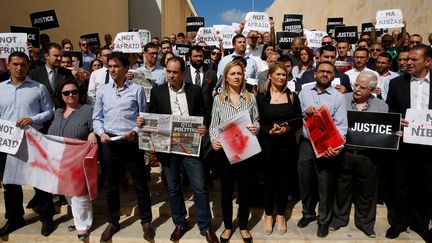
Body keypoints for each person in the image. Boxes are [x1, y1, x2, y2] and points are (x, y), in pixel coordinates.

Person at [141, 56, 218, 243]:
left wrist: (204, 126)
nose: (171, 75)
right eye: (168, 71)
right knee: (174, 188)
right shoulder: (158, 92)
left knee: (199, 187)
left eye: (175, 72)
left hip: (190, 146)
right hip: (167, 149)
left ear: (183, 73)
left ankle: (205, 226)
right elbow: (152, 116)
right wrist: (143, 122)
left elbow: (205, 114)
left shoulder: (195, 91)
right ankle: (180, 223)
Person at [92, 52, 154, 242]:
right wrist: (101, 132)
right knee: (111, 185)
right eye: (110, 66)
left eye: (116, 66)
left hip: (131, 142)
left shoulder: (137, 90)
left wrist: (135, 130)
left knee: (140, 183)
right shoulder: (102, 90)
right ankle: (113, 221)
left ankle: (146, 220)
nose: (112, 69)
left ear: (126, 68)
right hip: (109, 143)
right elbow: (97, 117)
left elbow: (143, 117)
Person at [0, 51, 55, 237]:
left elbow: (49, 112)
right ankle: (15, 217)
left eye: (23, 64)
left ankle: (46, 216)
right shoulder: (0, 88)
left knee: (39, 180)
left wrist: (32, 119)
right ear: (8, 65)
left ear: (28, 66)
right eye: (15, 64)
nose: (19, 67)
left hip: (32, 141)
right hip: (7, 143)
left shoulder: (38, 88)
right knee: (10, 182)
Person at [330, 71, 389, 238]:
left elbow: (385, 132)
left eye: (362, 87)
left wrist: (393, 134)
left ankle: (365, 224)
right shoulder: (342, 99)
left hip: (368, 156)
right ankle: (339, 219)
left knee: (367, 192)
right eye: (356, 84)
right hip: (344, 152)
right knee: (341, 189)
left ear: (371, 89)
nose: (356, 89)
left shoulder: (381, 106)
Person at [385, 44, 432, 242]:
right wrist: (397, 121)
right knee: (401, 185)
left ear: (428, 62)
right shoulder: (397, 83)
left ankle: (421, 224)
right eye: (407, 59)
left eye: (414, 60)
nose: (408, 62)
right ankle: (399, 223)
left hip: (429, 147)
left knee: (426, 185)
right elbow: (391, 110)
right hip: (404, 144)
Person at [210, 60, 260, 243]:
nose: (237, 77)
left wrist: (256, 128)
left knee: (245, 190)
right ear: (226, 77)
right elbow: (213, 125)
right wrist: (213, 139)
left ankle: (244, 226)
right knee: (226, 191)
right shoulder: (218, 99)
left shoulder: (251, 98)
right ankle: (228, 226)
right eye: (233, 74)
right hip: (226, 152)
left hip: (247, 151)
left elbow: (257, 121)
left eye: (239, 73)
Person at [297, 61, 348, 238]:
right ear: (315, 73)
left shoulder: (338, 97)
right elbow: (297, 115)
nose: (325, 74)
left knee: (325, 186)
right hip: (306, 145)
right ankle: (308, 214)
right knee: (305, 182)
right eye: (322, 71)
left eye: (329, 72)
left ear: (333, 76)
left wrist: (338, 147)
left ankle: (323, 221)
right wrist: (305, 111)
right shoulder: (304, 92)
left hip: (327, 146)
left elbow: (342, 126)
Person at [47, 80, 97, 241]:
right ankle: (78, 221)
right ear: (61, 96)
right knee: (68, 193)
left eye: (74, 92)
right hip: (59, 159)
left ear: (79, 93)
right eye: (66, 93)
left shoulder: (88, 110)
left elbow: (97, 124)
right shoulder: (57, 112)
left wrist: (93, 132)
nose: (71, 95)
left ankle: (83, 226)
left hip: (78, 159)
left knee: (79, 193)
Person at [257, 62, 302, 235]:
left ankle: (281, 214)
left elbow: (298, 119)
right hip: (267, 145)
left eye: (284, 75)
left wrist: (287, 128)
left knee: (283, 180)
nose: (281, 78)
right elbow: (257, 121)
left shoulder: (292, 96)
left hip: (287, 145)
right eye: (278, 74)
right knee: (269, 180)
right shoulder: (261, 97)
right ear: (270, 76)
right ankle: (269, 214)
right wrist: (269, 130)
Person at [29, 43, 74, 108]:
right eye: (56, 56)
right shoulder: (34, 74)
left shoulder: (67, 73)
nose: (59, 58)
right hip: (41, 112)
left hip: (62, 112)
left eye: (61, 56)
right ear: (46, 56)